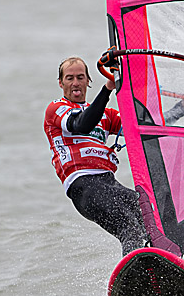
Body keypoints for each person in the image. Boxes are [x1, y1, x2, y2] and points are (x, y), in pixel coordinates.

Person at [43, 56, 148, 255]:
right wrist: (108, 88)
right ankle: (136, 274)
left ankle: (160, 268)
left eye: (80, 77)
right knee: (129, 226)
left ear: (88, 81)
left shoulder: (106, 115)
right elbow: (81, 125)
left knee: (150, 217)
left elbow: (145, 127)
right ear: (61, 83)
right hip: (84, 186)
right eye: (69, 78)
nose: (75, 83)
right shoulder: (56, 109)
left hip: (109, 183)